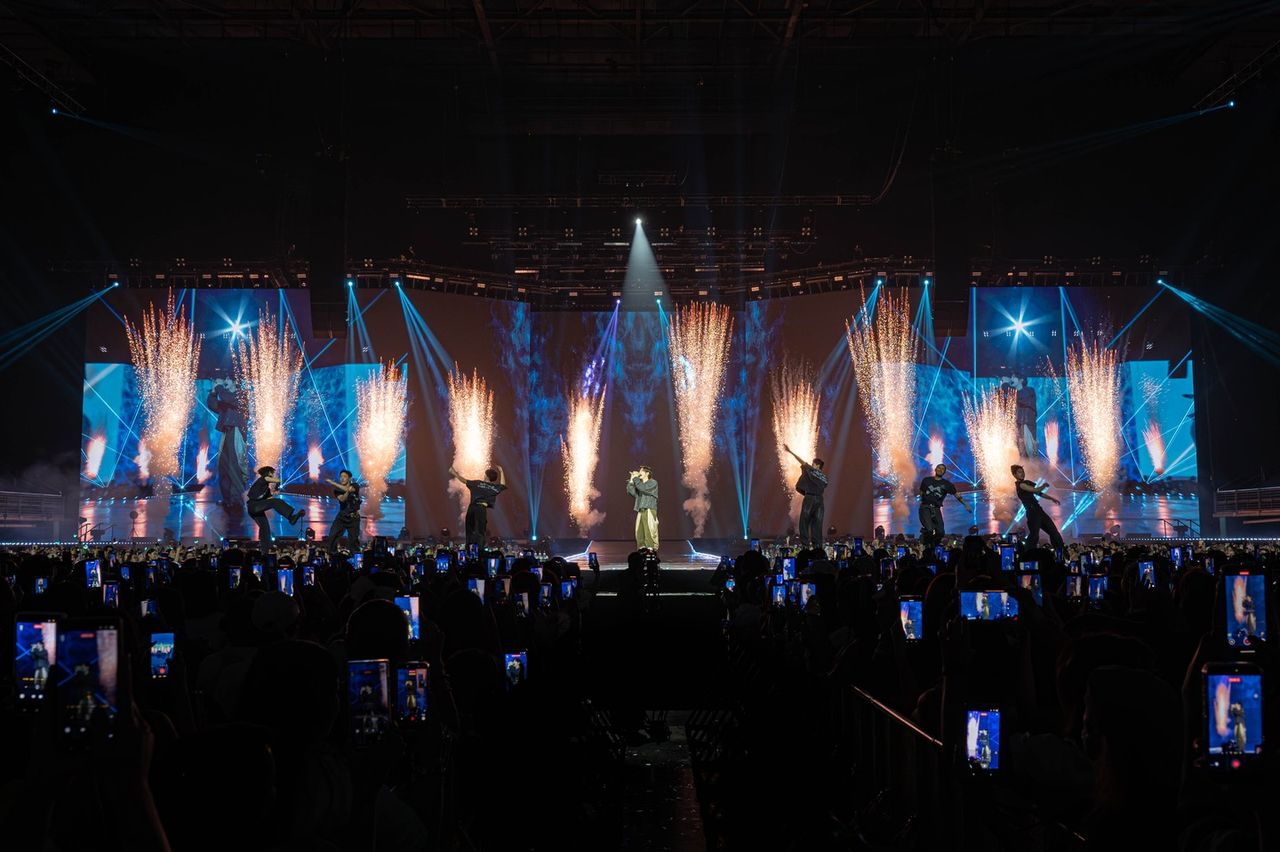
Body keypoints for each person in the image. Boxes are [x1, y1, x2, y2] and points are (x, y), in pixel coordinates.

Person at [450, 464, 506, 549]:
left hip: (472, 508)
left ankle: (469, 551)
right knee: (480, 531)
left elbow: (464, 481)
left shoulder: (477, 483)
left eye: (485, 474)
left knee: (470, 530)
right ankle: (479, 551)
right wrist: (501, 471)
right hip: (481, 509)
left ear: (487, 476)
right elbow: (503, 485)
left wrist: (454, 473)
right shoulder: (494, 487)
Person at [783, 444, 828, 548]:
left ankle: (805, 546)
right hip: (820, 500)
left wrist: (790, 451)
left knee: (804, 521)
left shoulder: (812, 470)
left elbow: (801, 461)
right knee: (817, 523)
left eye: (813, 464)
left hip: (810, 498)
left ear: (817, 465)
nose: (811, 465)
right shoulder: (825, 477)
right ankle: (817, 547)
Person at [1011, 464, 1064, 550]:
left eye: (1023, 472)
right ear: (1014, 475)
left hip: (1039, 511)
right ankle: (1028, 554)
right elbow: (1036, 490)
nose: (1022, 474)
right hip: (1032, 513)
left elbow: (1039, 493)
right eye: (1019, 472)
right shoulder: (1021, 485)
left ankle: (1060, 551)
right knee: (1034, 535)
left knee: (1053, 531)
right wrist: (1044, 486)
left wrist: (1051, 498)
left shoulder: (1026, 483)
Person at [246, 466, 302, 544]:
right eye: (272, 473)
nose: (273, 474)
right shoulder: (263, 479)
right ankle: (291, 518)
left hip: (256, 509)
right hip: (253, 506)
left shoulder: (266, 489)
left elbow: (269, 500)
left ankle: (264, 547)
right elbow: (277, 480)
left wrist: (275, 493)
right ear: (268, 472)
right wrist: (276, 487)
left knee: (265, 528)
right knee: (275, 502)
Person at [918, 464, 968, 548]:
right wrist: (922, 502)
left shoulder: (947, 484)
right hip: (925, 507)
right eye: (939, 468)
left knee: (941, 532)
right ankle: (925, 542)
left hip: (936, 509)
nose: (940, 470)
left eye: (942, 469)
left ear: (944, 472)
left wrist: (965, 504)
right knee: (929, 529)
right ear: (935, 469)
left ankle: (933, 544)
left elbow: (956, 495)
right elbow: (921, 491)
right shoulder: (926, 480)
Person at [324, 470, 361, 553]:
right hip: (342, 516)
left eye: (344, 476)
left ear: (349, 478)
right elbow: (342, 499)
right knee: (333, 536)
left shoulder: (355, 485)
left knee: (354, 541)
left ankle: (355, 557)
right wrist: (347, 491)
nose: (342, 478)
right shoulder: (337, 490)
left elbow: (350, 489)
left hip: (353, 518)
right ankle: (332, 555)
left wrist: (333, 483)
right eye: (341, 477)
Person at [627, 466, 659, 551]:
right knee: (639, 530)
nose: (639, 472)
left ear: (647, 473)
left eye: (641, 471)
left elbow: (643, 488)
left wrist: (636, 478)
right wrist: (631, 479)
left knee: (649, 529)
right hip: (641, 510)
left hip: (649, 509)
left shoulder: (652, 482)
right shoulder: (639, 485)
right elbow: (631, 492)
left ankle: (650, 547)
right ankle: (642, 547)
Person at [1015, 376, 1039, 458]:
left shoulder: (1028, 391)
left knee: (1030, 450)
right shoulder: (1017, 393)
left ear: (1021, 380)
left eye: (1014, 377)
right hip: (1020, 424)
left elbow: (1021, 397)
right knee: (1022, 450)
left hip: (1027, 423)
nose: (1011, 379)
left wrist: (1005, 385)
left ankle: (1032, 465)